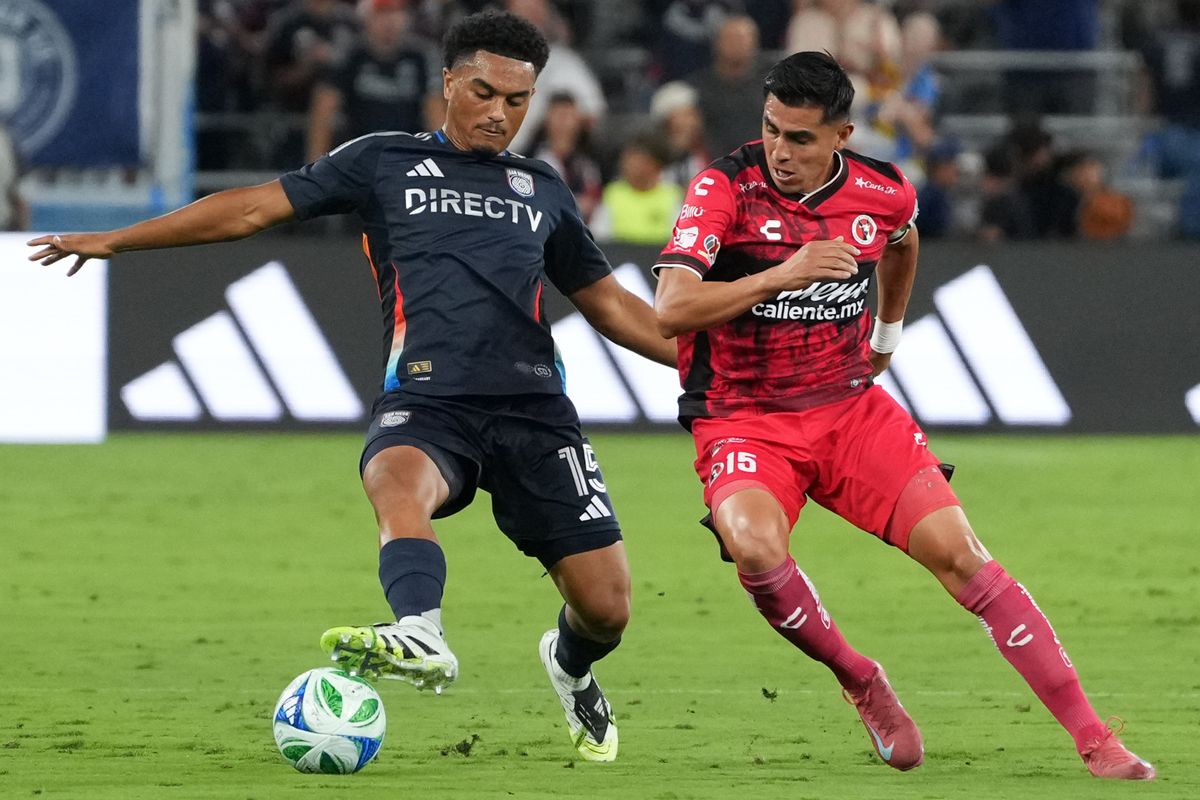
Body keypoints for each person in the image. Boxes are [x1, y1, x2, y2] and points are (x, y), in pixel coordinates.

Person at [27, 9, 676, 764]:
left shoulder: (543, 188)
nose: (499, 112)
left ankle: (568, 663)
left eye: (517, 100)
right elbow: (249, 209)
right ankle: (421, 630)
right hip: (428, 397)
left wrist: (717, 363)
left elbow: (614, 308)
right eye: (483, 91)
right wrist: (116, 238)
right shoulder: (382, 160)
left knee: (606, 609)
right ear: (447, 83)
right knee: (393, 477)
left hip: (535, 409)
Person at [651, 51, 1155, 780]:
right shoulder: (723, 186)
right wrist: (784, 272)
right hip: (745, 417)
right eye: (771, 131)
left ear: (843, 135)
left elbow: (903, 240)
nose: (780, 153)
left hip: (851, 411)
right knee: (755, 548)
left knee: (963, 555)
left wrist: (888, 332)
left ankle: (1095, 739)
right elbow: (671, 309)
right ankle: (860, 678)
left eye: (800, 139)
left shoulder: (881, 191)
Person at [306, 0, 444, 163]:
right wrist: (315, 166)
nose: (389, 22)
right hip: (356, 152)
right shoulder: (350, 56)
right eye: (381, 15)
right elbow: (324, 109)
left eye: (395, 13)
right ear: (366, 19)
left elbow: (435, 112)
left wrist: (443, 161)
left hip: (408, 154)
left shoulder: (421, 56)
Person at [591, 133, 683, 244]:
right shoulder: (614, 193)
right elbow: (598, 237)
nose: (628, 165)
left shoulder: (672, 195)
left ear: (656, 165)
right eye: (627, 159)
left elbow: (680, 240)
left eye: (637, 160)